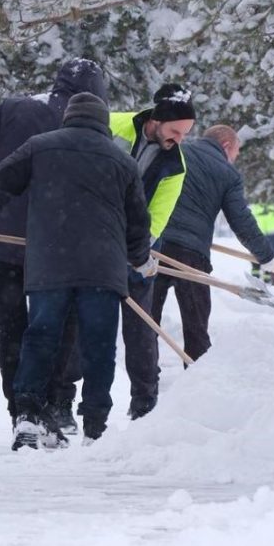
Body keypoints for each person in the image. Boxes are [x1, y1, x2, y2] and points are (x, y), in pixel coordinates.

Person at [0, 92, 154, 448]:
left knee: (40, 337)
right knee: (98, 346)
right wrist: (139, 257)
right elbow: (138, 223)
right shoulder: (121, 161)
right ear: (103, 123)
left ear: (68, 117)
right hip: (103, 269)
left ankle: (27, 414)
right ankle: (96, 426)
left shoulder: (40, 147)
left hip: (50, 262)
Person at [0, 58, 108, 434]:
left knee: (11, 328)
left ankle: (21, 410)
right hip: (55, 244)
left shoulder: (15, 107)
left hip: (0, 238)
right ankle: (54, 404)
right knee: (56, 327)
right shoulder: (84, 124)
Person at [152, 125, 274, 361]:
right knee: (196, 327)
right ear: (226, 146)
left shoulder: (178, 152)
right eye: (236, 154)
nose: (234, 160)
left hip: (155, 245)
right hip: (191, 254)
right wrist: (266, 256)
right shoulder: (227, 174)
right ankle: (198, 383)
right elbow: (241, 221)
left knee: (147, 322)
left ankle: (144, 391)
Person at [109, 83, 195, 421]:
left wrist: (136, 251)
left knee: (141, 324)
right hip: (91, 234)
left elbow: (156, 219)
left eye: (186, 132)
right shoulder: (111, 124)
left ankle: (144, 401)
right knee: (83, 318)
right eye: (175, 130)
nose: (180, 139)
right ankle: (66, 400)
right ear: (156, 120)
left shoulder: (176, 166)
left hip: (137, 246)